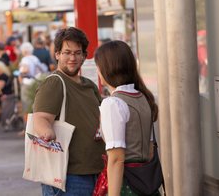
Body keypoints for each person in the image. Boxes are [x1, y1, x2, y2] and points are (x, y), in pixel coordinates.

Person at [32, 27, 105, 195]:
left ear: (84, 56)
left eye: (77, 53)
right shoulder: (54, 83)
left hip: (95, 171)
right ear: (57, 54)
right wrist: (46, 132)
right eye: (67, 52)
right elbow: (40, 118)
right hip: (68, 175)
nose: (72, 58)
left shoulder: (89, 85)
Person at [94, 40, 159, 196]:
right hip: (145, 183)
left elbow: (116, 159)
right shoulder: (144, 97)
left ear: (106, 68)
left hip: (125, 185)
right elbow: (150, 150)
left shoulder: (113, 104)